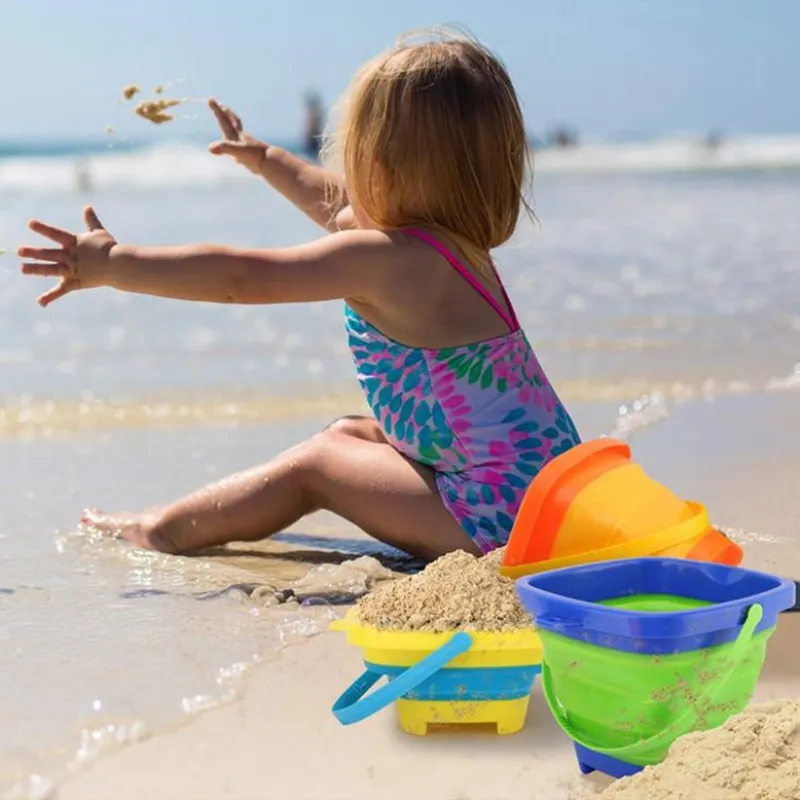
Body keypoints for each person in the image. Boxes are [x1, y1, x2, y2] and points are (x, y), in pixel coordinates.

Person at [17, 31, 580, 562]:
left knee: (318, 463)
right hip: (543, 494)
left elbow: (242, 278)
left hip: (499, 524)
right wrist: (265, 160)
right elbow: (332, 205)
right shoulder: (451, 248)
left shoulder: (388, 261)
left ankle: (160, 529)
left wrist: (114, 265)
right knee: (347, 432)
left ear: (377, 166)